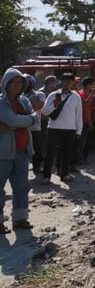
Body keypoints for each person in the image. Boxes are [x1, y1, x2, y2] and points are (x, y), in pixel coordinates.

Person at [0, 68, 36, 233]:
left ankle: (20, 219)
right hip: (3, 153)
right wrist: (24, 121)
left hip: (22, 151)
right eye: (13, 82)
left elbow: (33, 121)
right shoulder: (1, 103)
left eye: (19, 82)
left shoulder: (24, 102)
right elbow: (13, 119)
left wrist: (13, 124)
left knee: (22, 187)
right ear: (6, 84)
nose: (17, 85)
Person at [41, 73, 82, 185]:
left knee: (67, 153)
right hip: (54, 128)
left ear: (72, 83)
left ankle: (64, 174)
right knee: (50, 153)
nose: (67, 83)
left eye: (69, 81)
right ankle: (46, 176)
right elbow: (44, 112)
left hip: (70, 129)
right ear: (61, 82)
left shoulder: (76, 97)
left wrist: (79, 130)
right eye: (65, 81)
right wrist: (54, 105)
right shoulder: (53, 95)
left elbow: (78, 115)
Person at [23, 75, 45, 174]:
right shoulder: (20, 96)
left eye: (28, 83)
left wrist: (24, 102)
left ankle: (37, 166)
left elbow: (40, 105)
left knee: (37, 148)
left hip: (35, 126)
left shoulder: (39, 94)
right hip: (22, 126)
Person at [76, 77, 95, 164]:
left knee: (85, 141)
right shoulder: (82, 94)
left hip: (85, 120)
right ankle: (80, 159)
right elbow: (86, 108)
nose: (94, 86)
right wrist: (90, 122)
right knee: (82, 142)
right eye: (92, 84)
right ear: (88, 85)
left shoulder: (85, 93)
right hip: (84, 121)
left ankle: (82, 158)